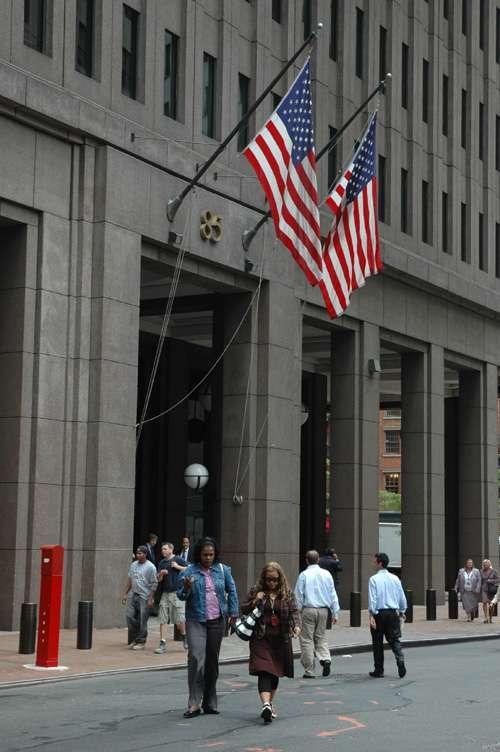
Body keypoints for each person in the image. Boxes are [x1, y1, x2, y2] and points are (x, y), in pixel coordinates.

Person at [177, 537, 239, 718]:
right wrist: (186, 588)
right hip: (196, 620)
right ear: (199, 555)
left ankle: (210, 702)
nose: (208, 558)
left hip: (217, 621)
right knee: (196, 659)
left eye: (211, 554)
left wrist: (233, 613)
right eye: (205, 555)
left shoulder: (222, 570)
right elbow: (181, 596)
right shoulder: (189, 571)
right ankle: (194, 703)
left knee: (212, 662)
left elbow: (232, 590)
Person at [241, 562, 301, 724]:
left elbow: (294, 611)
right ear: (264, 578)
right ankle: (266, 704)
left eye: (275, 580)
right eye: (269, 579)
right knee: (264, 670)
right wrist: (256, 600)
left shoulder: (287, 594)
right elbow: (244, 608)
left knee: (275, 672)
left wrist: (296, 626)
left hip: (281, 639)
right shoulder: (256, 591)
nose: (272, 583)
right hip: (261, 638)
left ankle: (269, 704)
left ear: (280, 579)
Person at [294, 550, 339, 679]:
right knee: (321, 636)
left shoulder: (304, 575)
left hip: (308, 609)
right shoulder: (327, 574)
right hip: (324, 610)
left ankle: (309, 670)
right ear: (318, 559)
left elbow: (298, 595)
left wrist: (297, 611)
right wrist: (335, 612)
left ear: (306, 560)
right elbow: (332, 594)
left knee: (307, 640)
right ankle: (325, 658)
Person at [368, 552, 407, 679]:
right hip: (392, 613)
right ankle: (400, 658)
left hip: (379, 613)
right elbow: (401, 596)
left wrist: (371, 614)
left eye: (374, 561)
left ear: (380, 563)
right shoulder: (395, 578)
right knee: (394, 639)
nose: (373, 563)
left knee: (377, 642)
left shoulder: (373, 579)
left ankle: (379, 670)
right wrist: (402, 611)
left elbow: (373, 598)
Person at [155, 542, 188, 653]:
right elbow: (158, 580)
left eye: (165, 549)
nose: (162, 551)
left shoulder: (178, 559)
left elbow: (189, 569)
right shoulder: (162, 562)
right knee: (163, 619)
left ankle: (184, 636)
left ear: (171, 549)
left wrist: (177, 567)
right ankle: (162, 643)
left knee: (179, 621)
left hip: (177, 594)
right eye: (162, 549)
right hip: (165, 593)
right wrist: (161, 574)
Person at [122, 545, 157, 650]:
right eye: (137, 553)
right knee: (129, 616)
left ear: (145, 554)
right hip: (133, 594)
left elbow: (154, 584)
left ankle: (141, 641)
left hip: (144, 596)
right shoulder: (133, 565)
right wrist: (125, 593)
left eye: (140, 553)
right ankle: (134, 639)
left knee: (142, 619)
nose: (138, 555)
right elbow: (130, 580)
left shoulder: (151, 567)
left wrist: (150, 598)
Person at [480, 559, 499, 623]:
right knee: (484, 602)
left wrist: (490, 581)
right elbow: (479, 580)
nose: (485, 565)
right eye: (484, 564)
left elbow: (498, 580)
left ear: (489, 564)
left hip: (491, 590)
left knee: (491, 604)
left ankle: (490, 617)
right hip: (484, 589)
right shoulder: (481, 571)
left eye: (487, 564)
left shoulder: (494, 571)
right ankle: (486, 617)